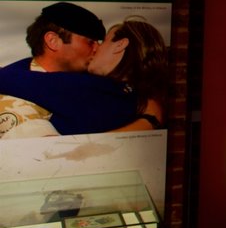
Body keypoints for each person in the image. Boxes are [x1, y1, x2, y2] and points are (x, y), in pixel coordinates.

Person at [0, 11, 169, 136]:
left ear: (120, 45)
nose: (96, 48)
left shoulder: (92, 90)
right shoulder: (137, 98)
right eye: (90, 42)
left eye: (102, 42)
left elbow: (15, 79)